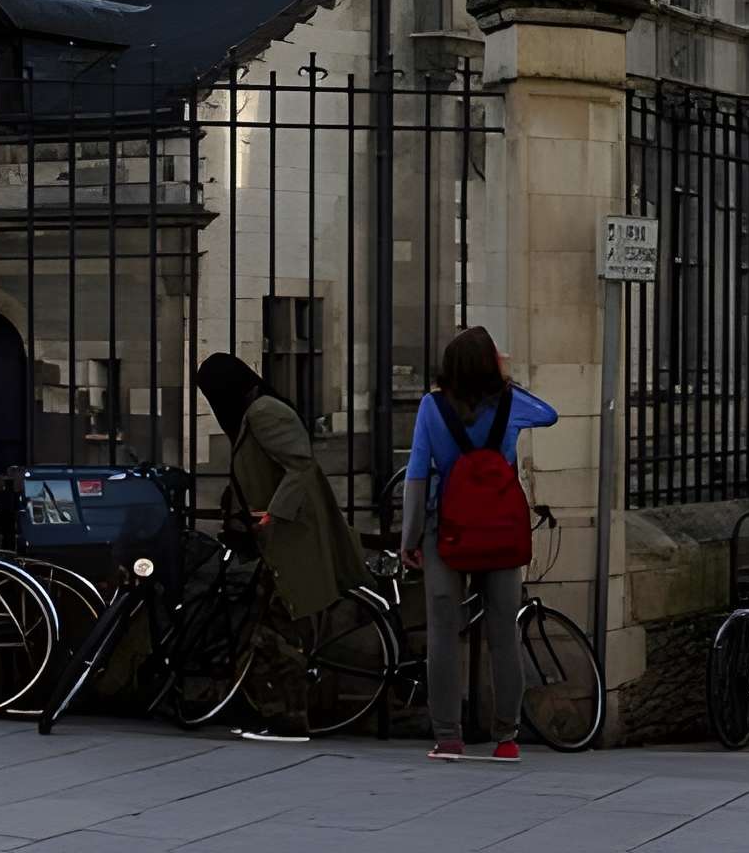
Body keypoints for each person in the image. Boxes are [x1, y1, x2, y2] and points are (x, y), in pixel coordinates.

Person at [401, 325, 560, 762]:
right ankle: (506, 737)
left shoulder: (432, 407)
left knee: (442, 634)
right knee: (503, 633)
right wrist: (507, 380)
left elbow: (417, 473)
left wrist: (410, 537)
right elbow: (550, 413)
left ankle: (448, 736)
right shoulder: (511, 405)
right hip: (501, 532)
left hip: (446, 530)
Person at [193, 351, 363, 743]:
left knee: (277, 633)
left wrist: (274, 513)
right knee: (271, 630)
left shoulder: (264, 412)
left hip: (290, 541)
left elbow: (299, 465)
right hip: (274, 542)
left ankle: (289, 720)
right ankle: (277, 715)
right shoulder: (253, 412)